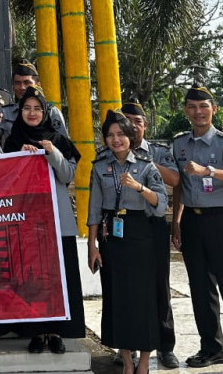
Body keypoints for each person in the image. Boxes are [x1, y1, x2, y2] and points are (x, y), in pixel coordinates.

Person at [4, 85, 85, 354]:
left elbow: (67, 176)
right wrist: (19, 158)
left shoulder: (57, 139)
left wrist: (51, 152)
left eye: (37, 108)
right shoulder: (14, 139)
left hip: (56, 221)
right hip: (26, 221)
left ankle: (57, 332)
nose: (32, 113)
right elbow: (6, 178)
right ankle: (36, 331)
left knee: (58, 276)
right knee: (32, 278)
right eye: (26, 108)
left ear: (45, 111)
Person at [87, 110, 167, 374]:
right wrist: (92, 246)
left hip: (141, 235)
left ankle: (144, 362)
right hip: (112, 236)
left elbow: (160, 203)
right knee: (117, 298)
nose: (116, 139)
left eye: (121, 134)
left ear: (131, 137)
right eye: (110, 135)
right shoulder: (99, 166)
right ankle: (127, 361)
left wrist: (138, 187)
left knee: (144, 300)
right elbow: (94, 208)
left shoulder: (146, 165)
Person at [121, 99, 180, 369]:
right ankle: (127, 346)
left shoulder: (157, 151)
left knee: (159, 286)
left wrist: (147, 163)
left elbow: (176, 179)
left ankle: (165, 347)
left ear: (145, 125)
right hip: (125, 228)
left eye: (138, 122)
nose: (133, 127)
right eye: (127, 122)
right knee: (128, 288)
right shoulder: (114, 150)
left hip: (153, 225)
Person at [171, 86, 223, 368]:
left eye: (203, 106)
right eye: (191, 106)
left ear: (213, 109)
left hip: (220, 218)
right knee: (201, 288)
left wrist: (208, 171)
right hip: (192, 219)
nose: (198, 112)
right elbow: (179, 186)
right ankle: (212, 347)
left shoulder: (222, 142)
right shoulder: (179, 144)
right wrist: (176, 222)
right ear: (185, 111)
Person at [0, 60, 67, 146]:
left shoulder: (51, 112)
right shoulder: (6, 113)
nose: (22, 87)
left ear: (38, 85)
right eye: (17, 83)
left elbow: (64, 146)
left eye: (27, 83)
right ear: (13, 87)